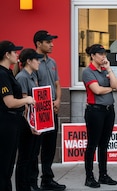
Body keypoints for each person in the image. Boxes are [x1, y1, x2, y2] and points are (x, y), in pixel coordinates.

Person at [31, 30, 66, 191]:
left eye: (52, 41)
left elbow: (57, 84)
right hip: (37, 111)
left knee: (50, 147)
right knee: (34, 148)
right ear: (39, 44)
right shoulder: (31, 61)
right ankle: (32, 181)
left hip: (52, 109)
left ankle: (47, 179)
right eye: (48, 42)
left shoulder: (52, 62)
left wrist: (58, 100)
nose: (52, 44)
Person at [82, 44, 117, 188]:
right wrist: (111, 88)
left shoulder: (105, 70)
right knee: (92, 144)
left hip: (109, 110)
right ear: (93, 56)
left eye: (104, 53)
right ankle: (89, 177)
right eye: (100, 54)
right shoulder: (88, 71)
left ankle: (103, 175)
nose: (103, 56)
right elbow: (97, 90)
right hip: (95, 111)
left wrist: (109, 69)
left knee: (104, 144)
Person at [0, 40, 34, 191]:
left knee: (8, 167)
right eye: (14, 52)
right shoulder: (1, 74)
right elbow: (9, 102)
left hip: (13, 122)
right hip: (6, 122)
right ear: (7, 54)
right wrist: (26, 99)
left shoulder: (7, 73)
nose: (17, 54)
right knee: (4, 166)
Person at [15, 48, 44, 191]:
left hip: (34, 123)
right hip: (26, 124)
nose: (39, 61)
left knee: (33, 155)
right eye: (36, 59)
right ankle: (23, 186)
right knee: (25, 158)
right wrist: (31, 124)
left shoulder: (33, 76)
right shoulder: (22, 77)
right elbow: (25, 104)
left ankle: (32, 183)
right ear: (28, 61)